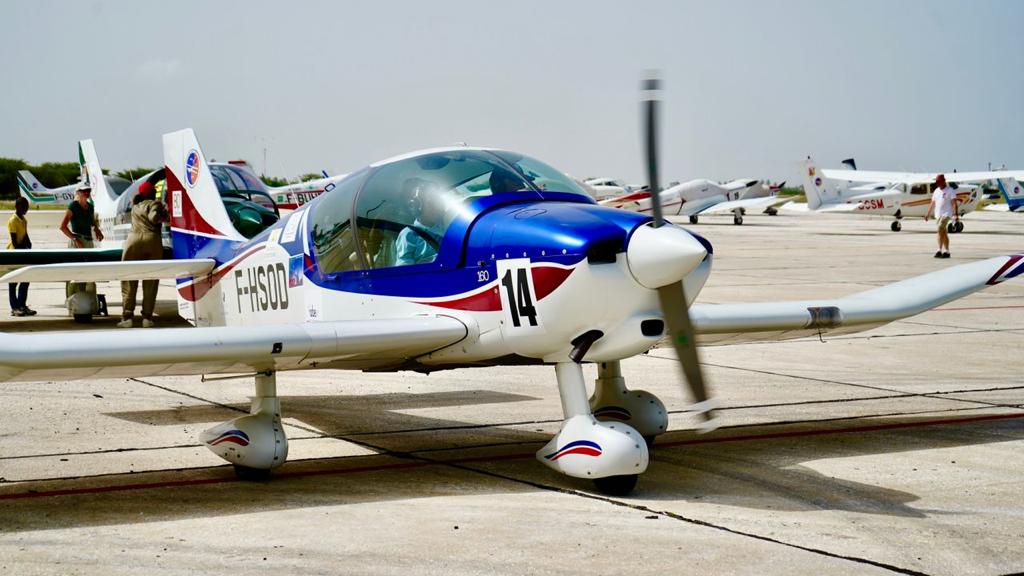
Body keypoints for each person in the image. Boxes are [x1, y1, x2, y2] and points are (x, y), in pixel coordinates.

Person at [118, 181, 168, 328]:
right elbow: (154, 217)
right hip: (152, 241)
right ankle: (147, 318)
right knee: (150, 281)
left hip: (132, 242)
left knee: (129, 280)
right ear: (151, 193)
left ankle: (127, 317)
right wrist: (165, 214)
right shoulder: (154, 204)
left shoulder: (135, 206)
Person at [59, 182, 105, 304]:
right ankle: (72, 301)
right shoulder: (73, 206)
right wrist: (75, 239)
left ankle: (88, 300)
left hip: (88, 242)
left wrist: (97, 229)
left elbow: (92, 221)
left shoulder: (90, 207)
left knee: (89, 272)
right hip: (77, 242)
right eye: (84, 191)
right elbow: (63, 227)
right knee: (74, 272)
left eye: (88, 190)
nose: (86, 192)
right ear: (78, 192)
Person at [395, 180, 448, 266]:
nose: (438, 207)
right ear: (416, 206)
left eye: (438, 203)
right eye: (431, 203)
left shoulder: (448, 225)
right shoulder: (409, 234)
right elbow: (404, 268)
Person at [7, 197, 36, 317]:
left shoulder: (24, 220)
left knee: (25, 279)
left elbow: (25, 236)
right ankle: (14, 308)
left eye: (27, 207)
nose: (26, 209)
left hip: (23, 252)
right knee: (13, 282)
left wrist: (28, 244)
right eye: (24, 207)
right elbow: (15, 242)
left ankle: (22, 305)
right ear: (17, 207)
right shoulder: (13, 220)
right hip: (14, 253)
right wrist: (24, 247)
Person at [924, 174, 958, 258]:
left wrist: (955, 214)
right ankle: (947, 251)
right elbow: (932, 203)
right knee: (943, 233)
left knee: (939, 229)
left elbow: (954, 203)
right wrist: (928, 214)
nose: (937, 183)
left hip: (947, 214)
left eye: (939, 182)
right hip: (938, 214)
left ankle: (939, 250)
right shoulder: (936, 191)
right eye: (937, 182)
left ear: (944, 181)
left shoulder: (950, 190)